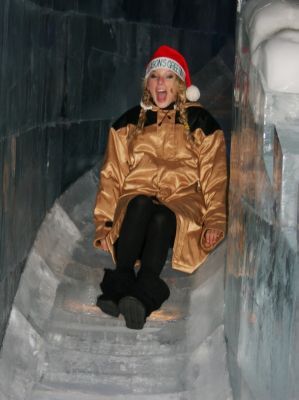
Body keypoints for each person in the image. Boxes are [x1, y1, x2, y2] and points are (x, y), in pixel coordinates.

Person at [93, 45, 227, 330]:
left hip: (181, 202)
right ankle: (129, 282)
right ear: (147, 83)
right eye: (155, 76)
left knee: (163, 215)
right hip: (134, 206)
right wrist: (104, 224)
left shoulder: (201, 123)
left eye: (168, 77)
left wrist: (215, 220)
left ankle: (137, 290)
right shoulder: (128, 123)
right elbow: (112, 176)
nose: (161, 83)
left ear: (180, 85)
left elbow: (215, 177)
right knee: (141, 202)